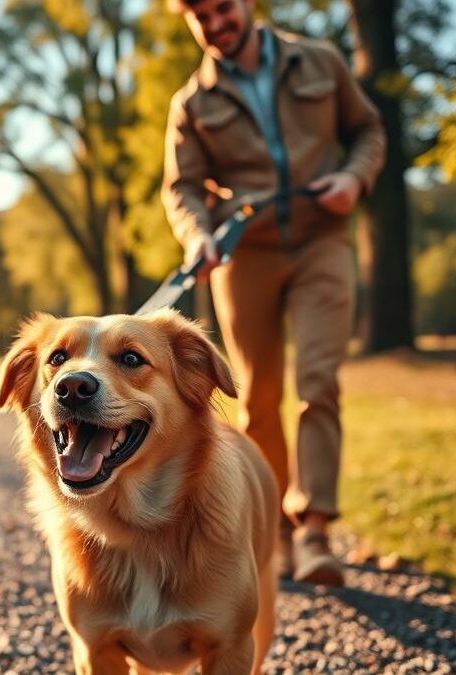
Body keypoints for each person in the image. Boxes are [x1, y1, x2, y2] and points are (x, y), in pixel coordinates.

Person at [162, 0, 385, 585]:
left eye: (223, 10)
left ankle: (314, 529)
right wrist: (198, 236)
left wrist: (355, 178)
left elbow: (367, 130)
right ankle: (276, 530)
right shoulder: (193, 103)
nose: (215, 25)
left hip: (322, 242)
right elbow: (180, 186)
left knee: (318, 380)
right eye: (200, 17)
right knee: (255, 396)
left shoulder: (319, 61)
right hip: (246, 254)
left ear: (249, 4)